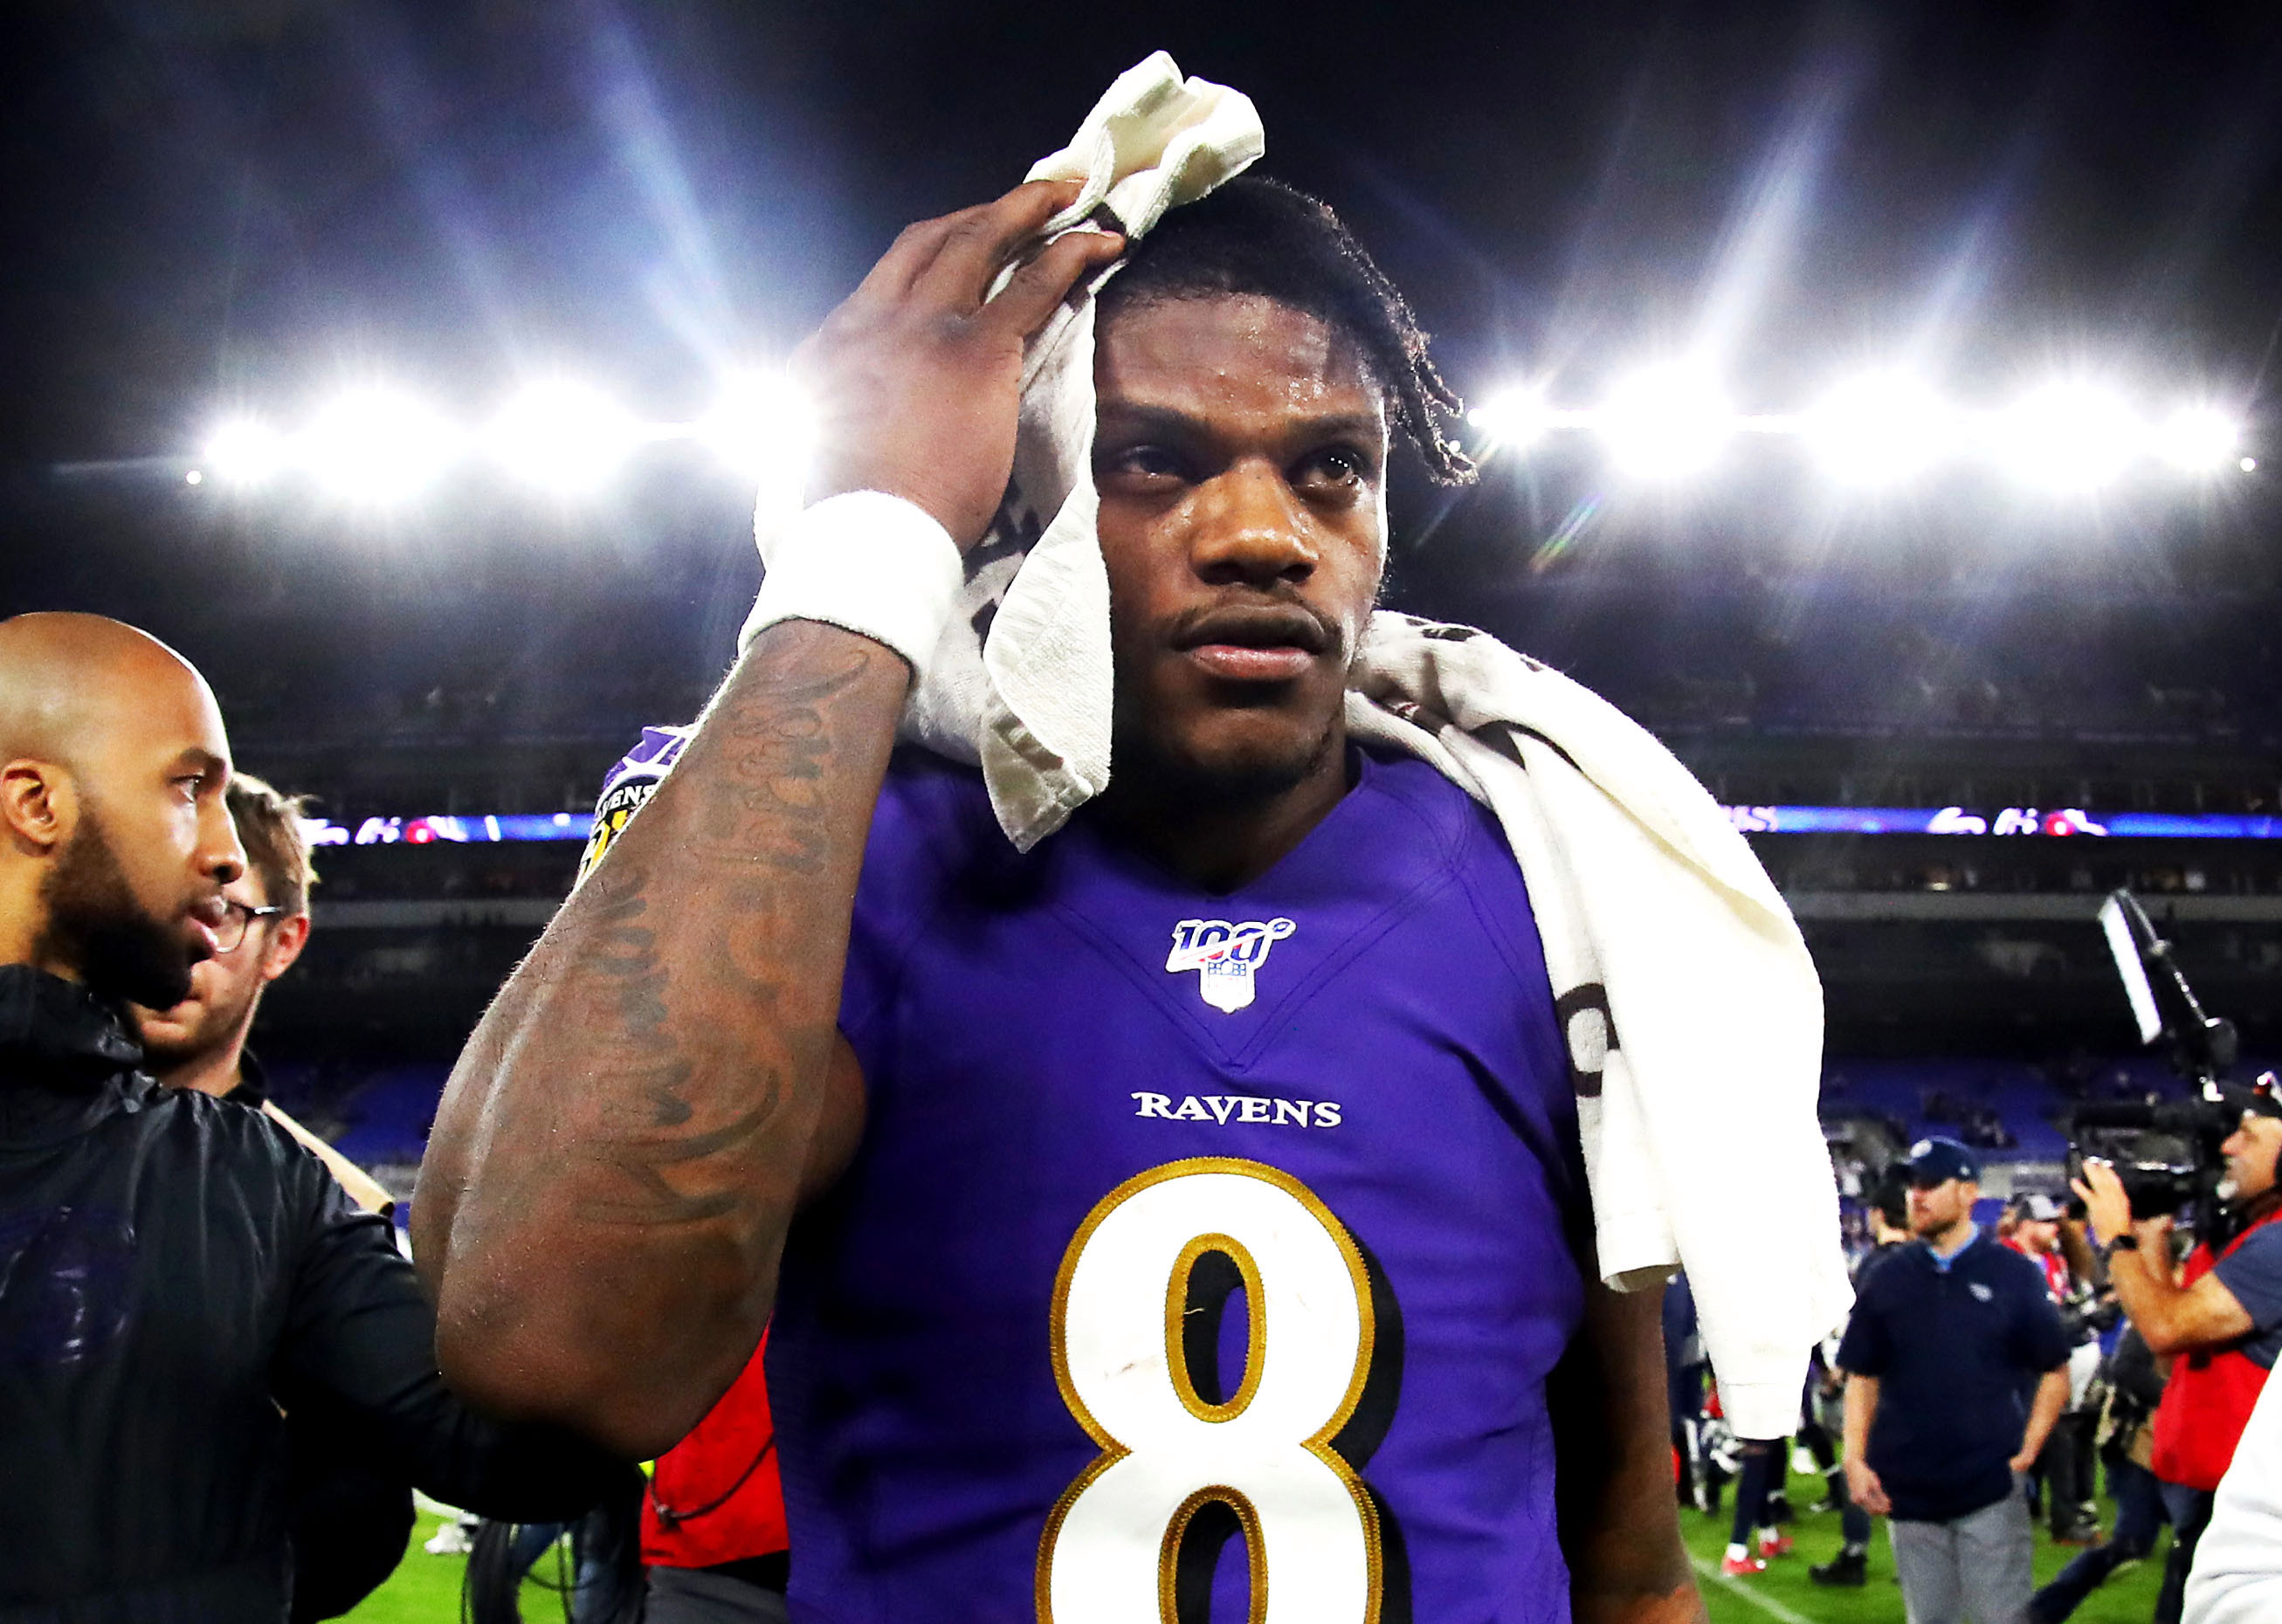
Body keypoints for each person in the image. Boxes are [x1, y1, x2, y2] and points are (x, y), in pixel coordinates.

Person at [417, 171, 1725, 1622]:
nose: (1265, 532)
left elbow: (1628, 1562)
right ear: (1023, 498)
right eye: (1152, 460)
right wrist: (864, 548)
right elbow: (553, 1354)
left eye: (1330, 469)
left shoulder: (1541, 879)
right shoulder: (861, 868)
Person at [0, 611, 631, 1622]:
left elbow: (519, 1452)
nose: (223, 854)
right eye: (189, 788)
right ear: (37, 804)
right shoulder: (251, 1180)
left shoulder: (260, 1183)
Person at [1837, 1136, 2072, 1624]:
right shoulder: (1886, 1277)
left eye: (1930, 1184)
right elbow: (1862, 1374)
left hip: (1989, 1485)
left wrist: (2027, 1452)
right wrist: (1854, 1457)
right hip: (1908, 1489)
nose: (1916, 1196)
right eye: (1911, 1185)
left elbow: (2054, 1369)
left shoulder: (2013, 1274)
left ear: (1969, 1193)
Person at [2075, 1086, 2282, 1624]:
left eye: (2248, 1137)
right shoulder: (2248, 1235)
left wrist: (2116, 1240)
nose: (2229, 1147)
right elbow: (2170, 1350)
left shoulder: (2277, 1242)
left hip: (2244, 1497)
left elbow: (2166, 1329)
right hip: (2210, 1482)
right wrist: (2148, 1241)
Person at [1809, 1172, 1913, 1588]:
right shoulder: (1922, 1258)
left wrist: (1840, 1372)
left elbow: (1866, 1328)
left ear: (1877, 1215)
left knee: (1861, 1463)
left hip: (1879, 1379)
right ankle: (1920, 1561)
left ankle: (1854, 1555)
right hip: (1917, 1378)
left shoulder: (1876, 1263)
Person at [2030, 1324, 2172, 1623]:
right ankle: (2041, 1611)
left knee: (2190, 1546)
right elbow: (2126, 1369)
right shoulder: (2154, 1319)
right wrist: (2179, 1397)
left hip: (2187, 1447)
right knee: (2133, 1541)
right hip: (2139, 1445)